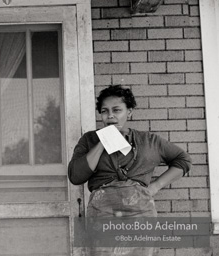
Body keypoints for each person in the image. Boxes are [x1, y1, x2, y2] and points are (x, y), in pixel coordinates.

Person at [68, 85, 192, 256]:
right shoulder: (89, 139)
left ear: (130, 112)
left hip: (141, 212)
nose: (110, 115)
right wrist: (102, 142)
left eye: (117, 110)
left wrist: (155, 187)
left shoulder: (149, 141)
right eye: (104, 111)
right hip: (102, 214)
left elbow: (183, 160)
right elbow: (76, 176)